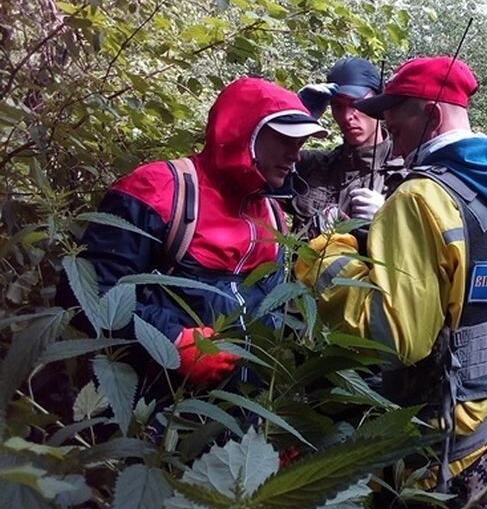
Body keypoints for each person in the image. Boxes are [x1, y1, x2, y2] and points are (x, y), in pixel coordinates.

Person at [295, 56, 487, 509]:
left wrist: (325, 255)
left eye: (396, 113)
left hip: (439, 437)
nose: (386, 123)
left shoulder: (419, 195)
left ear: (430, 115)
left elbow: (396, 337)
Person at [60, 77, 328, 387]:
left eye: (300, 144)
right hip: (155, 406)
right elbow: (87, 295)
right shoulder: (159, 190)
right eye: (285, 139)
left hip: (243, 415)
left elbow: (272, 310)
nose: (295, 155)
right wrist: (171, 341)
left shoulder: (273, 214)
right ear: (244, 132)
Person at [288, 57, 403, 239]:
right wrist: (296, 117)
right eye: (337, 106)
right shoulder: (312, 166)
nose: (346, 116)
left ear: (378, 103)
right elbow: (248, 164)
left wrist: (390, 218)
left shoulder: (407, 172)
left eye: (356, 103)